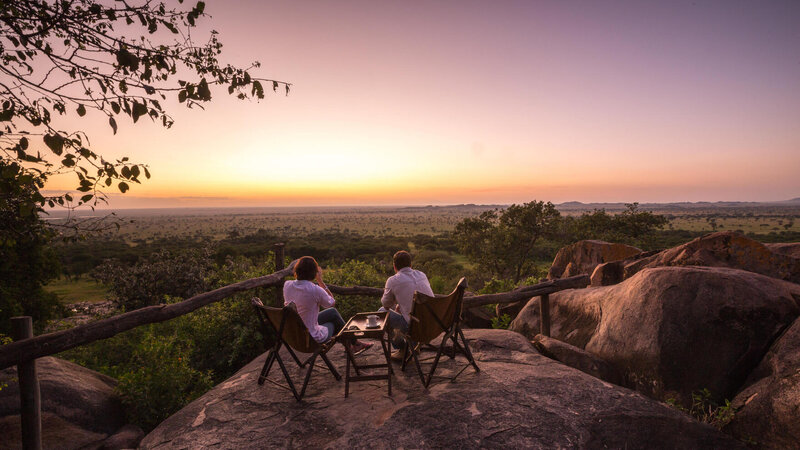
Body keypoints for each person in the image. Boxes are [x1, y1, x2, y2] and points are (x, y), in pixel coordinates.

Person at [284, 256, 371, 354]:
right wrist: (320, 280)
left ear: (297, 270)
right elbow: (332, 302)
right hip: (310, 338)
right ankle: (354, 344)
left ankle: (353, 345)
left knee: (332, 313)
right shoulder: (314, 290)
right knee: (334, 322)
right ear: (314, 272)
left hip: (295, 333)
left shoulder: (287, 285)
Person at [379, 250, 434, 360]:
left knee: (381, 312)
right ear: (410, 264)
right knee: (404, 313)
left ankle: (403, 349)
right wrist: (402, 305)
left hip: (415, 329)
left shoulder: (393, 280)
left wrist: (397, 303)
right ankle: (414, 345)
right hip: (433, 324)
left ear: (394, 267)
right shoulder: (421, 274)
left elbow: (386, 304)